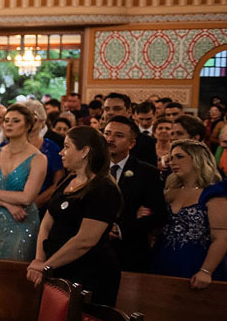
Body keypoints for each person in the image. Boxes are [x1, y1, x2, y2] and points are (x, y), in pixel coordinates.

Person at [28, 127, 123, 306]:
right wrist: (40, 260)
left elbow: (85, 240)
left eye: (67, 147)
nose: (61, 152)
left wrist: (47, 266)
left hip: (88, 272)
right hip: (57, 266)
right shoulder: (68, 180)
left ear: (85, 151)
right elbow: (47, 223)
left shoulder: (103, 189)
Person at [150, 140, 227, 286]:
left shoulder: (214, 193)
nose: (173, 162)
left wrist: (206, 271)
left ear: (198, 159)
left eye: (180, 157)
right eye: (171, 158)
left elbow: (222, 238)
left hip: (197, 261)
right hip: (163, 257)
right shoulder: (170, 191)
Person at [0, 104, 46, 260]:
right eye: (6, 120)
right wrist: (7, 204)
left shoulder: (38, 159)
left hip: (22, 221)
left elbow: (27, 198)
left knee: (13, 273)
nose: (9, 124)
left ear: (28, 125)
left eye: (16, 121)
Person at [103, 116, 166, 273]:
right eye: (107, 133)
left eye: (119, 136)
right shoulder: (91, 169)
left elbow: (158, 215)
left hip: (129, 252)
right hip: (92, 250)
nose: (110, 139)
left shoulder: (147, 173)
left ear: (131, 143)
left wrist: (120, 228)